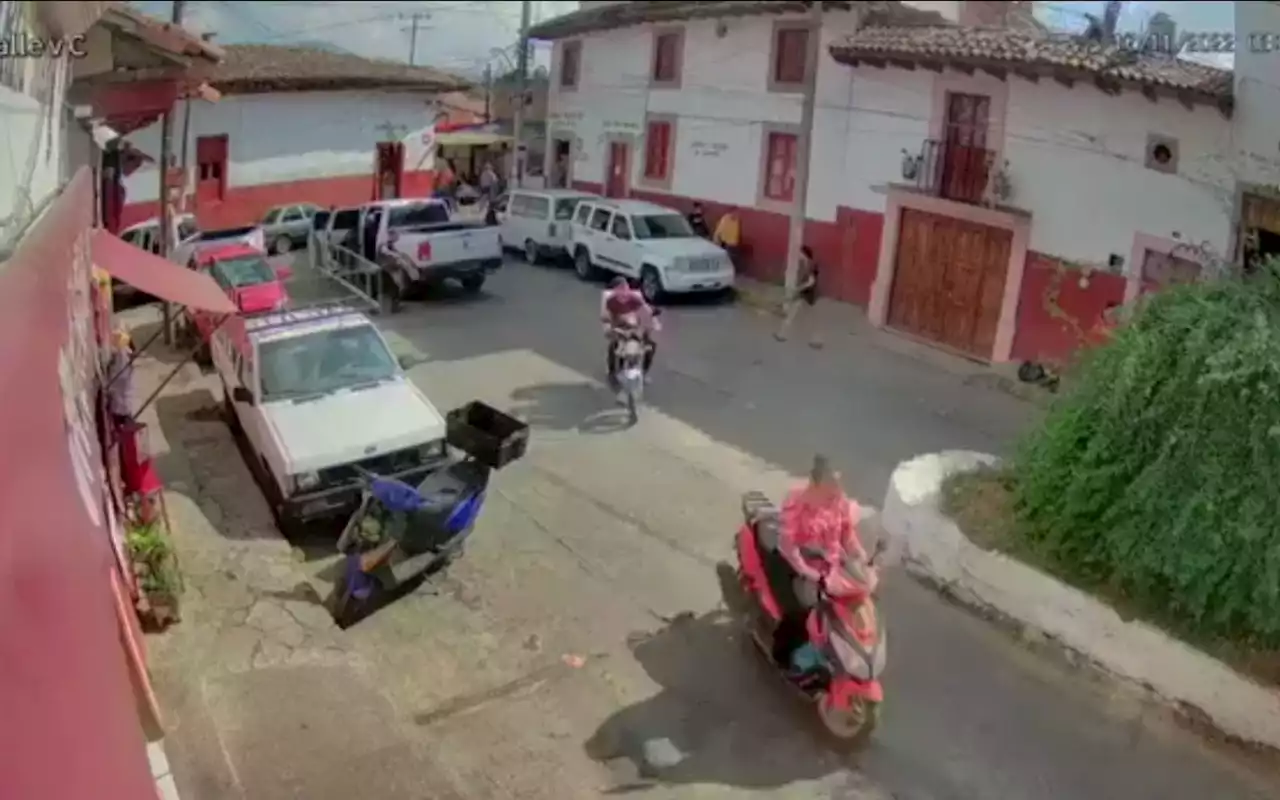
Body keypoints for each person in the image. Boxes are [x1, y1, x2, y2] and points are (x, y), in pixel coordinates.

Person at [771, 454, 875, 669]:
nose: (836, 490)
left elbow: (847, 534)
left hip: (831, 569)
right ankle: (783, 655)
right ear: (816, 482)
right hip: (801, 567)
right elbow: (788, 548)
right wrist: (809, 573)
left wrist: (858, 553)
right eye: (831, 484)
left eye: (838, 483)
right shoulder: (796, 502)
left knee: (856, 604)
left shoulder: (838, 501)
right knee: (806, 608)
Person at [600, 276, 659, 391]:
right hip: (618, 328)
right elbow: (605, 318)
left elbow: (646, 310)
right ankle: (612, 373)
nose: (623, 290)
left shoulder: (635, 298)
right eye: (620, 288)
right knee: (614, 346)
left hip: (635, 328)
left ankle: (644, 372)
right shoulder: (610, 301)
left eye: (625, 287)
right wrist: (611, 329)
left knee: (651, 346)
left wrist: (653, 321)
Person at [774, 245, 821, 347]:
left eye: (800, 253)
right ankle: (782, 334)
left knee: (804, 317)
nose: (799, 255)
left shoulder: (811, 265)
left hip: (806, 295)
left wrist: (798, 288)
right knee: (797, 315)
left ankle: (782, 334)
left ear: (804, 254)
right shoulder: (806, 264)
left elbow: (811, 282)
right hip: (804, 295)